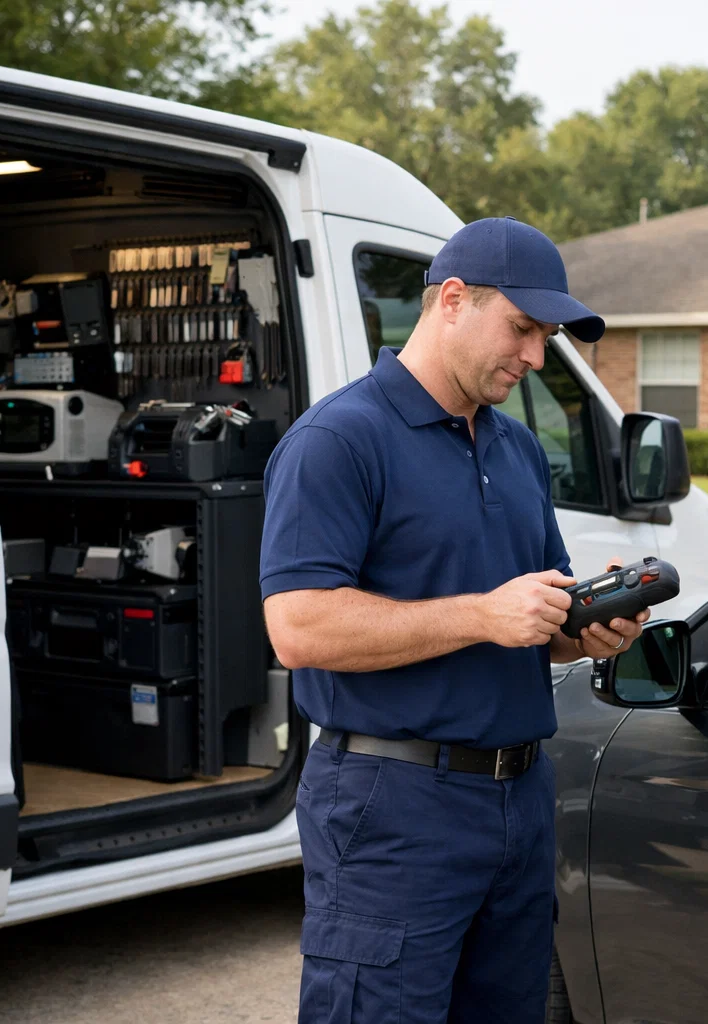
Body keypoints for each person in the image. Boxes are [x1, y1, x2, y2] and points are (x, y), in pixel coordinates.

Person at [260, 217, 650, 1023]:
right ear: (450, 300)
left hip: (519, 798)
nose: (536, 357)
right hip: (392, 802)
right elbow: (298, 627)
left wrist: (587, 625)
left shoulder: (516, 449)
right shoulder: (338, 439)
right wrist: (482, 614)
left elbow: (532, 622)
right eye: (522, 329)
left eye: (544, 336)